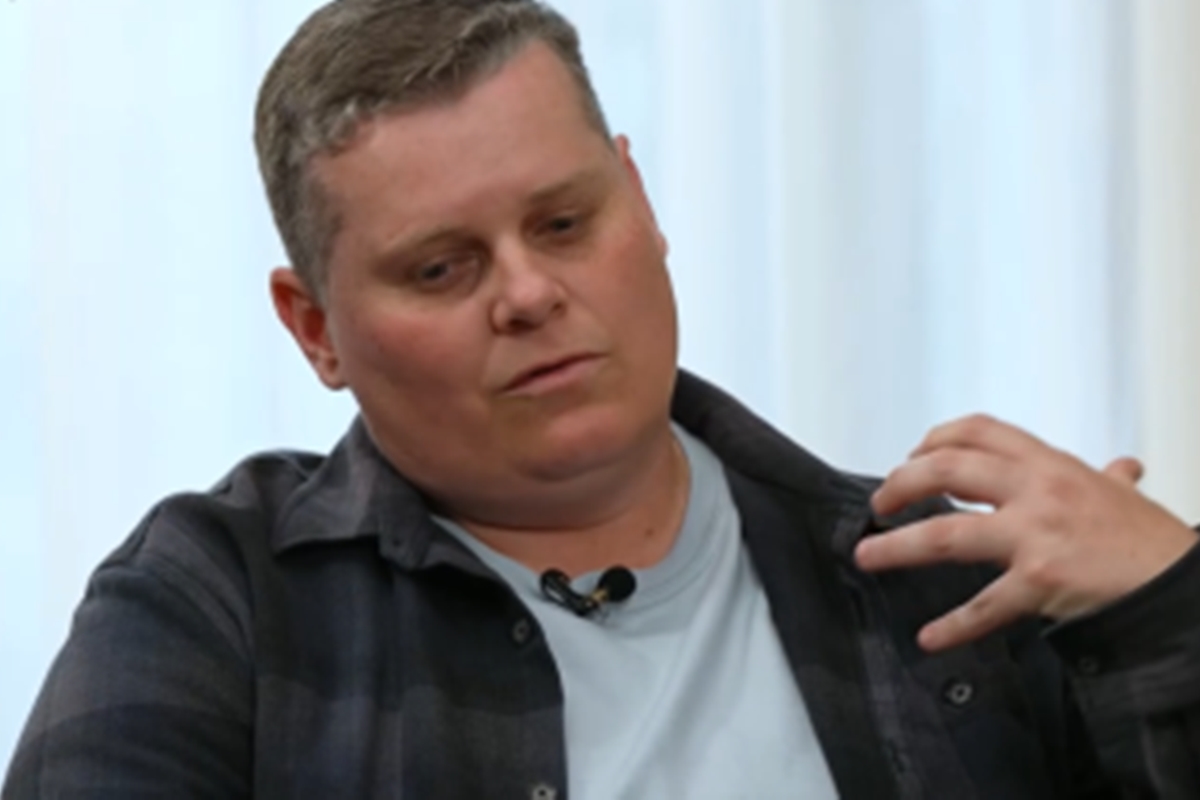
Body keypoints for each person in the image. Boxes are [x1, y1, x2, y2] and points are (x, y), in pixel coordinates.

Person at [5, 0, 1200, 797]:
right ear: (315, 327)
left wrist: (1172, 606)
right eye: (442, 268)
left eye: (566, 222)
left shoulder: (936, 578)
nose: (529, 293)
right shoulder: (219, 604)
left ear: (641, 197)